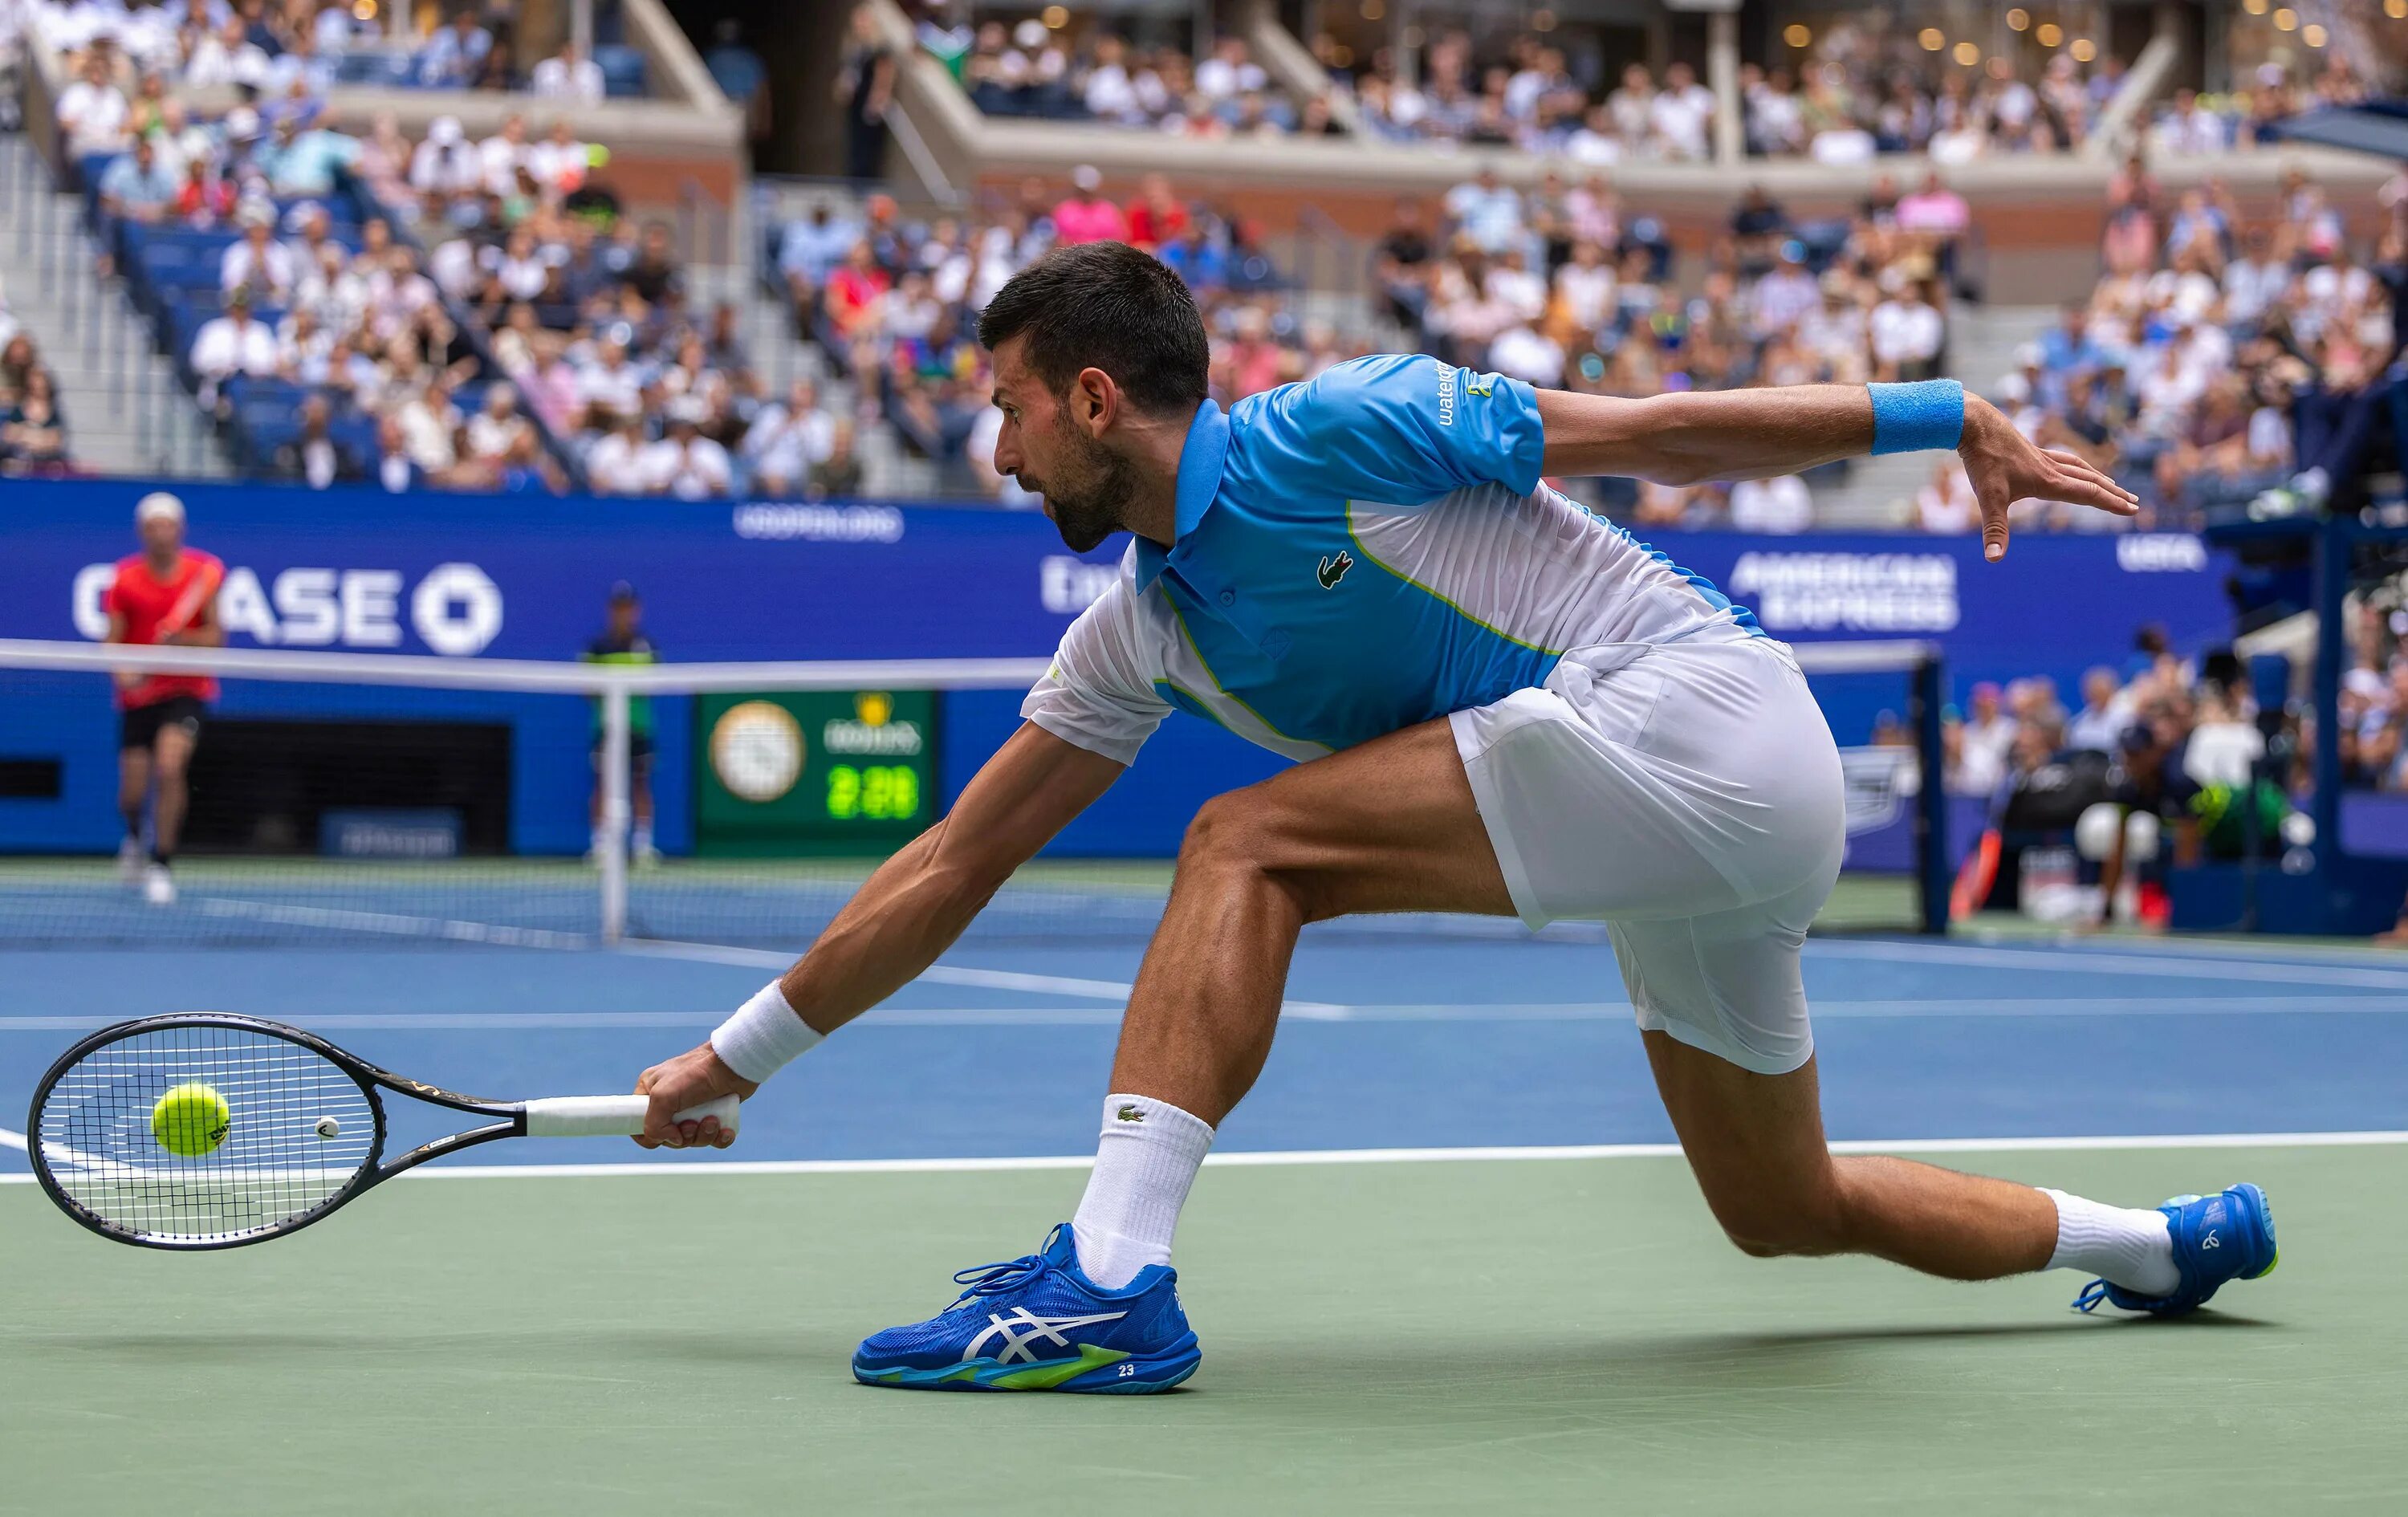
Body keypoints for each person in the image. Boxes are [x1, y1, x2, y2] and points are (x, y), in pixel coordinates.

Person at [627, 242, 2270, 1397]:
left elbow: (1651, 433)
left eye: (1008, 410)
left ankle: (1113, 1279)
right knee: (1782, 1208)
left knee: (1243, 844)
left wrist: (1937, 416)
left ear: (1097, 397)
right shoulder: (1140, 631)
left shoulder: (1339, 428)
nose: (992, 449)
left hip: (1696, 706)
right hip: (1688, 818)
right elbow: (951, 860)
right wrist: (733, 1061)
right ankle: (2161, 1245)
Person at [104, 494, 224, 906]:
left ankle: (162, 864)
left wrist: (183, 640)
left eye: (168, 525)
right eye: (153, 526)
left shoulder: (203, 573)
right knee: (132, 795)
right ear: (142, 532)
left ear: (180, 529)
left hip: (186, 692)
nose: (161, 533)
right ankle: (136, 837)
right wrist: (126, 675)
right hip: (138, 698)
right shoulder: (124, 578)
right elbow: (113, 641)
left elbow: (215, 638)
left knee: (171, 768)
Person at [584, 582, 659, 865]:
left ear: (635, 611)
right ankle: (601, 845)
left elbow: (652, 685)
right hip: (606, 729)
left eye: (628, 608)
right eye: (619, 608)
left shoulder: (646, 646)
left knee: (641, 783)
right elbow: (586, 689)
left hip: (639, 728)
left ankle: (642, 846)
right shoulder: (597, 647)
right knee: (602, 784)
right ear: (611, 611)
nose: (623, 614)